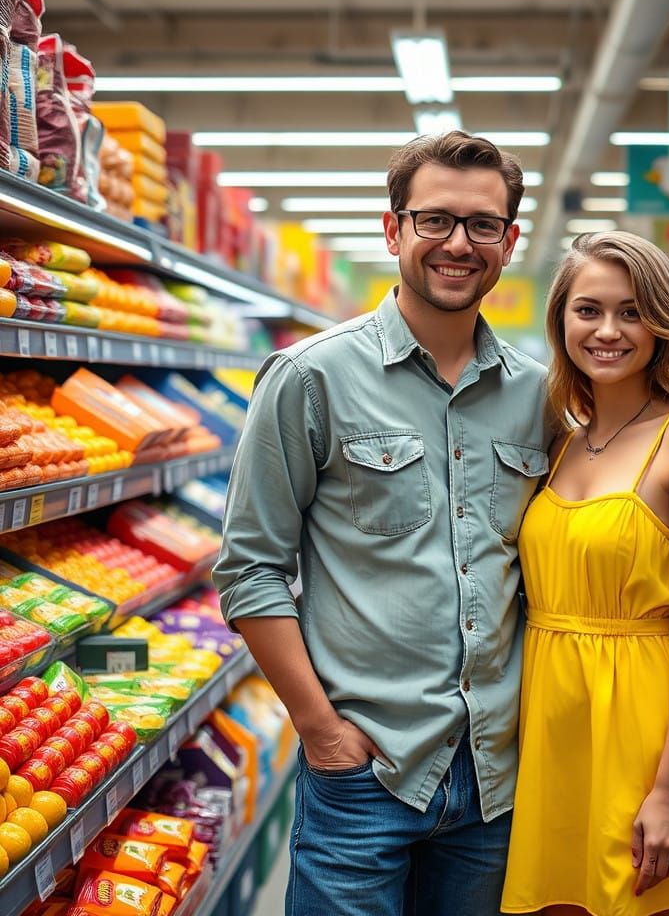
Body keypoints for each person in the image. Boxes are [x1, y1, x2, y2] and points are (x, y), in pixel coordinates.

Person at [214, 131, 552, 916]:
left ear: (509, 241)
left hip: (501, 775)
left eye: (482, 225)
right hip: (367, 771)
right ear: (394, 228)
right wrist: (319, 730)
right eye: (434, 220)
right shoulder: (310, 377)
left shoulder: (541, 396)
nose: (458, 244)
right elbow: (249, 568)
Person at [500, 231, 669, 916]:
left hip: (641, 727)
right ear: (560, 322)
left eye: (632, 311)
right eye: (588, 310)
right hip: (552, 726)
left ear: (663, 323)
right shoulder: (562, 440)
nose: (608, 330)